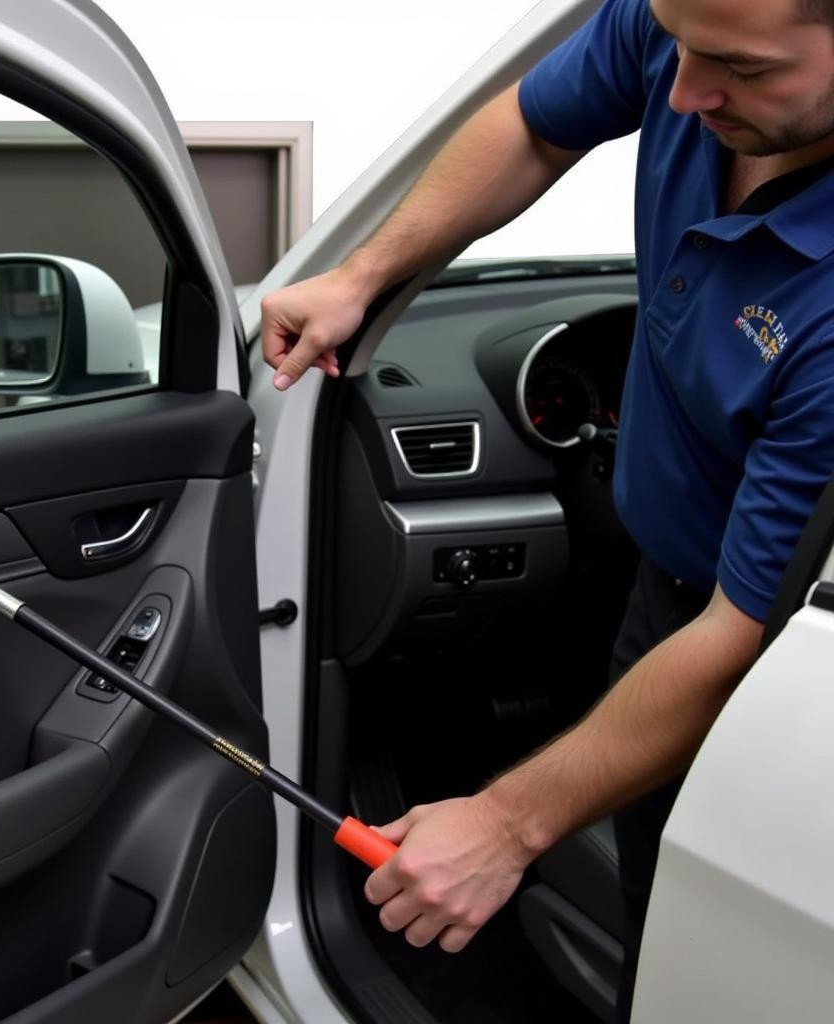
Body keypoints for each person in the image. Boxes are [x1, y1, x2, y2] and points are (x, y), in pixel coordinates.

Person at [260, 0, 834, 1019]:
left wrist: (506, 826)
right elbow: (532, 121)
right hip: (665, 584)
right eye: (678, 46)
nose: (684, 88)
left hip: (756, 665)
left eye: (740, 71)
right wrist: (364, 274)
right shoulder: (687, 19)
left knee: (699, 953)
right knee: (650, 903)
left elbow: (740, 636)